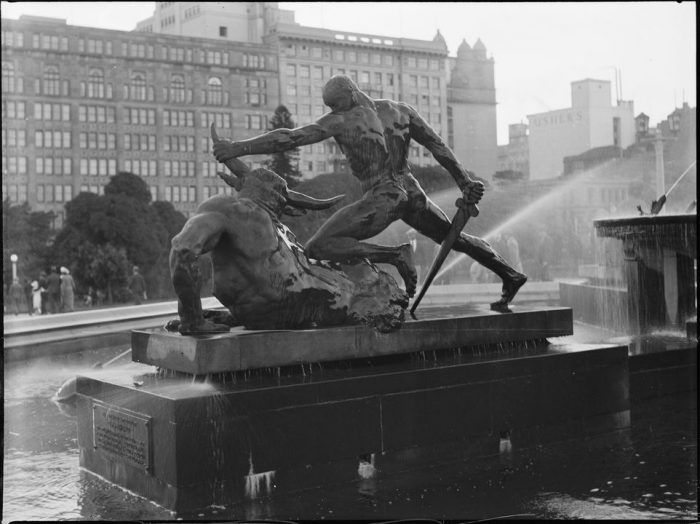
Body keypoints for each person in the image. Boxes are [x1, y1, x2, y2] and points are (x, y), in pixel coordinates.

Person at [214, 74, 526, 311]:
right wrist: (463, 181)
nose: (333, 111)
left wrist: (238, 147)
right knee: (454, 239)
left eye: (335, 104)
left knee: (319, 246)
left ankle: (395, 255)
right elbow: (437, 146)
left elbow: (289, 138)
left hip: (384, 194)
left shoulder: (342, 119)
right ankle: (510, 275)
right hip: (411, 189)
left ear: (350, 93)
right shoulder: (401, 111)